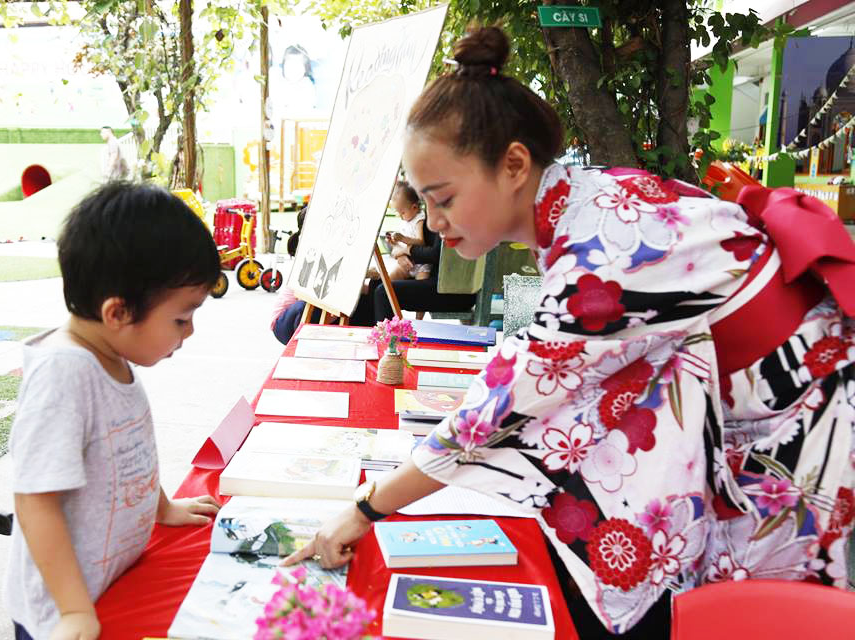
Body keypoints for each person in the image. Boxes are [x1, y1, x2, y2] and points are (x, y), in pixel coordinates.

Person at [284, 25, 855, 639]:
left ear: (513, 165)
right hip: (768, 390)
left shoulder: (600, 253)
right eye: (423, 202)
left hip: (794, 419)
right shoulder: (593, 198)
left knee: (743, 618)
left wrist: (364, 508)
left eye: (442, 198)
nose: (433, 221)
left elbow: (495, 414)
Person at [4, 182, 222, 640]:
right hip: (61, 611)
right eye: (181, 318)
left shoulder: (112, 354)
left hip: (109, 584)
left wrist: (163, 508)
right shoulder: (64, 375)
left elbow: (126, 456)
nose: (190, 332)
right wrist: (72, 611)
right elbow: (35, 501)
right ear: (118, 313)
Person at [384, 180, 432, 281]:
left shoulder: (419, 220)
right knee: (388, 281)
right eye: (398, 213)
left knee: (420, 286)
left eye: (402, 213)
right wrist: (394, 241)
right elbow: (399, 246)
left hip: (420, 265)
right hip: (406, 263)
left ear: (414, 207)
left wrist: (402, 238)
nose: (401, 217)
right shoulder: (406, 220)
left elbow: (421, 242)